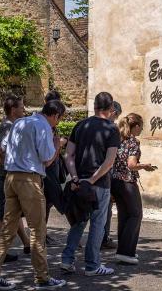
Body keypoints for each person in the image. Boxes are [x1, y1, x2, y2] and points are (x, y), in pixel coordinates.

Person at [0, 100, 67, 290]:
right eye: (59, 119)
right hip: (29, 180)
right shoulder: (43, 126)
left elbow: (3, 149)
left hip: (11, 178)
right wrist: (57, 146)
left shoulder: (20, 122)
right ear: (55, 115)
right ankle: (42, 277)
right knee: (38, 229)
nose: (58, 123)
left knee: (8, 229)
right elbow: (47, 160)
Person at [61, 92, 121, 277]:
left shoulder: (80, 125)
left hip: (79, 183)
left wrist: (77, 178)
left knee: (79, 222)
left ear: (94, 106)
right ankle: (92, 265)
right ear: (111, 108)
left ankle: (67, 260)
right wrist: (92, 180)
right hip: (99, 184)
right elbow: (109, 161)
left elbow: (68, 155)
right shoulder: (111, 129)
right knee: (98, 224)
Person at [111, 113, 156, 264]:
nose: (141, 131)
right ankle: (126, 252)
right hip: (127, 182)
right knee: (136, 215)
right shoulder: (133, 142)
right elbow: (131, 164)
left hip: (114, 181)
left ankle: (122, 252)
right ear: (135, 126)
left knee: (124, 215)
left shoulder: (118, 139)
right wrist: (145, 166)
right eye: (141, 128)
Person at [0, 95, 30, 263]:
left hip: (4, 174)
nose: (24, 110)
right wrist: (9, 170)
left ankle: (27, 243)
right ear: (13, 110)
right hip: (3, 175)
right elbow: (2, 152)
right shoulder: (8, 126)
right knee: (1, 213)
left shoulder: (10, 124)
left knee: (14, 211)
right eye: (21, 107)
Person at [42, 90, 68, 245]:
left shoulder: (47, 120)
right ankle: (41, 235)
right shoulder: (47, 124)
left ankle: (42, 234)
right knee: (51, 201)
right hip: (49, 167)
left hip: (52, 166)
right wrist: (60, 144)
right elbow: (49, 150)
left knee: (47, 203)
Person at [102, 100, 123, 251]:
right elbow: (113, 157)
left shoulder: (88, 125)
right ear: (113, 112)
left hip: (86, 173)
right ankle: (103, 238)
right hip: (104, 174)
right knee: (105, 209)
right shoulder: (112, 129)